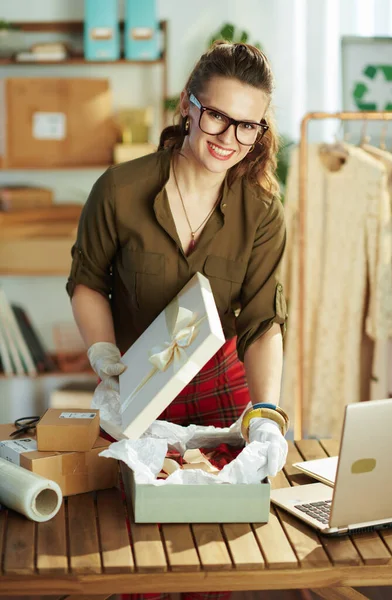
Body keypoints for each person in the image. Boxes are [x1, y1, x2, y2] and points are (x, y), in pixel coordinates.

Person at [67, 41, 288, 600]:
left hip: (220, 395)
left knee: (212, 562)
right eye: (217, 115)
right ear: (189, 105)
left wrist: (265, 412)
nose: (228, 139)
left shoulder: (262, 212)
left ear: (261, 131)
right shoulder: (119, 190)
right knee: (130, 556)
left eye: (248, 127)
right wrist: (100, 353)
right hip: (138, 388)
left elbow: (263, 323)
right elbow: (88, 281)